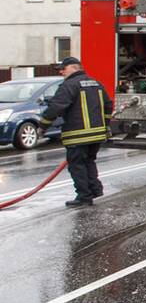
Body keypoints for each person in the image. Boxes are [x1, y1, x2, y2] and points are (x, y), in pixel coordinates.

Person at [40, 57, 113, 207]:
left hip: (77, 135)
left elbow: (55, 107)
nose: (61, 72)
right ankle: (95, 190)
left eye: (63, 69)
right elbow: (108, 105)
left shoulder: (69, 85)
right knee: (89, 162)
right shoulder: (96, 83)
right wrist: (105, 124)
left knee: (77, 165)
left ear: (73, 68)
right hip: (98, 134)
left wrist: (43, 126)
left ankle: (84, 197)